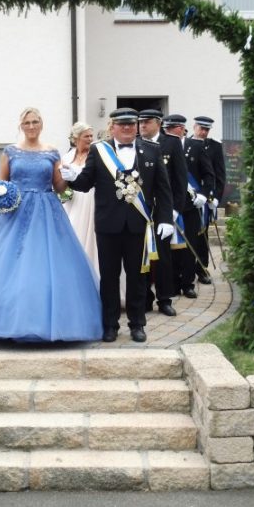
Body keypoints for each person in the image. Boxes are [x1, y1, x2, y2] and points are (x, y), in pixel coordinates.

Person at [0, 107, 103, 342]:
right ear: (21, 125)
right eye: (27, 123)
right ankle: (13, 322)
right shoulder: (10, 152)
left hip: (47, 210)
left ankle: (54, 323)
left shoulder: (52, 152)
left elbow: (59, 187)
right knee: (13, 262)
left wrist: (70, 175)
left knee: (49, 263)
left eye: (35, 122)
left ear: (41, 124)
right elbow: (2, 184)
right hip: (16, 212)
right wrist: (0, 199)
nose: (32, 126)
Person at [62, 107, 174, 343]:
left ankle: (137, 324)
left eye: (131, 124)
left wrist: (165, 219)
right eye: (122, 125)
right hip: (108, 226)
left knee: (137, 277)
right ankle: (109, 325)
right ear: (112, 127)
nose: (127, 128)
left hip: (137, 225)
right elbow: (85, 183)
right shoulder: (99, 150)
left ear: (136, 126)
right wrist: (70, 178)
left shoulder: (152, 150)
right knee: (109, 278)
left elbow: (164, 189)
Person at [138, 108, 188, 317]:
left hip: (163, 210)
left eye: (146, 122)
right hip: (142, 208)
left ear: (158, 123)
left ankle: (164, 299)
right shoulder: (137, 144)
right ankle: (145, 298)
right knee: (142, 256)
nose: (142, 126)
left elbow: (180, 180)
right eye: (140, 123)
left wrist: (174, 211)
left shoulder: (172, 143)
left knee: (164, 257)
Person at [163, 114, 215, 300]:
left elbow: (209, 175)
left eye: (173, 128)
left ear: (182, 128)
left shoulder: (196, 147)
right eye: (167, 129)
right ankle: (173, 284)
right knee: (171, 247)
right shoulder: (162, 145)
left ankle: (187, 283)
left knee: (189, 245)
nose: (169, 132)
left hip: (191, 205)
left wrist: (203, 194)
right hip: (170, 204)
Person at [61, 121, 99, 275]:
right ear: (76, 138)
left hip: (91, 199)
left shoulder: (96, 154)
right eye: (86, 136)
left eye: (91, 135)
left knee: (93, 238)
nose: (90, 139)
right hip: (73, 202)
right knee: (73, 233)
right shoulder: (68, 156)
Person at [191, 115, 226, 284]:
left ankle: (202, 269)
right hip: (188, 197)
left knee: (202, 235)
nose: (203, 132)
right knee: (187, 235)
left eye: (206, 129)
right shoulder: (183, 143)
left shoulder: (215, 147)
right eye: (201, 128)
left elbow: (220, 175)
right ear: (194, 127)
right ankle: (186, 271)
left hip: (206, 198)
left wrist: (216, 198)